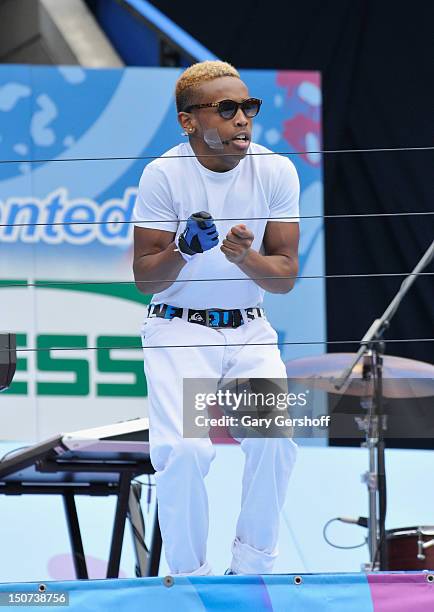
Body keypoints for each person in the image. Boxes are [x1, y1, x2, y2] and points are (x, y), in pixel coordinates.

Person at [133, 60, 300, 576]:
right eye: (227, 110)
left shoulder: (276, 169)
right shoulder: (163, 174)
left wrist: (244, 258)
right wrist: (183, 249)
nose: (243, 119)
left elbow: (285, 275)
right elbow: (146, 278)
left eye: (248, 107)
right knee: (183, 451)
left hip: (250, 328)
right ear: (189, 122)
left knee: (276, 442)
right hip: (178, 328)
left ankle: (252, 570)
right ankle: (189, 579)